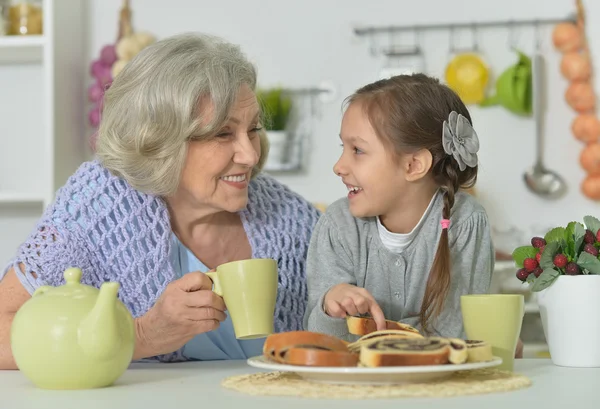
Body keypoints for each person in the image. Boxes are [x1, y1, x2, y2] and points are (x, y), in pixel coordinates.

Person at [0, 32, 320, 369]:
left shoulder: (288, 217)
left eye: (253, 129)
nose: (250, 154)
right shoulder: (96, 208)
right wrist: (139, 336)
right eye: (224, 133)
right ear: (161, 141)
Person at [303, 73, 494, 341]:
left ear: (413, 165)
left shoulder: (465, 223)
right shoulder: (338, 225)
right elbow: (324, 341)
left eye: (357, 150)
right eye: (343, 147)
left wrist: (372, 332)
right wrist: (331, 307)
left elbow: (456, 333)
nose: (339, 166)